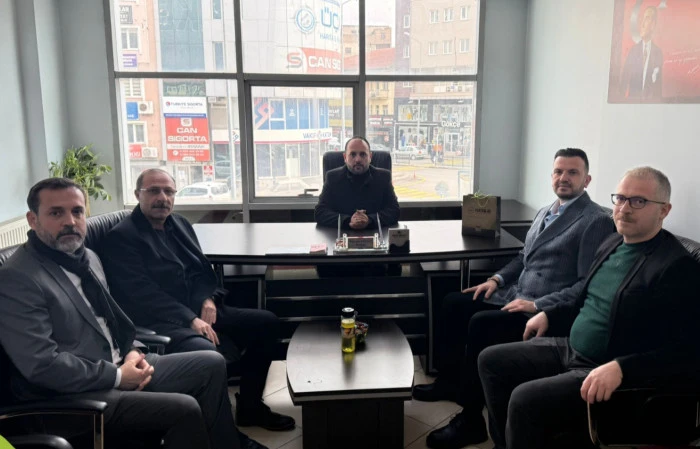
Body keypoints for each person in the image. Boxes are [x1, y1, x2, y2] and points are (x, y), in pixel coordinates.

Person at [0, 178, 266, 449]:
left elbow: (113, 321)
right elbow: (41, 365)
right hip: (70, 396)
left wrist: (132, 351)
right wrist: (117, 376)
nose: (70, 221)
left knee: (211, 364)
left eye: (77, 211)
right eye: (56, 213)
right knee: (184, 408)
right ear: (33, 219)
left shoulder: (87, 257)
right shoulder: (18, 277)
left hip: (121, 364)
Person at [478, 167, 700, 449]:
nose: (624, 209)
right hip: (571, 347)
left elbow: (687, 352)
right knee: (491, 361)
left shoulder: (677, 268)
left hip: (608, 370)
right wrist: (549, 313)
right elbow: (584, 295)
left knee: (524, 399)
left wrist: (622, 368)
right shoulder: (612, 242)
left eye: (638, 201)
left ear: (664, 210)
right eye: (620, 198)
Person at [414, 148, 615, 449]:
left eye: (572, 172)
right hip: (515, 293)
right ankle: (450, 382)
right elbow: (523, 257)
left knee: (481, 323)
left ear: (586, 180)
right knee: (454, 303)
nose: (564, 178)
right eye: (558, 171)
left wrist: (538, 305)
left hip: (543, 310)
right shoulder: (545, 211)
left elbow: (586, 283)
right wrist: (496, 279)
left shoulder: (595, 220)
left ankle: (471, 420)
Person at [100, 169, 295, 432]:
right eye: (154, 191)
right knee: (208, 354)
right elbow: (142, 294)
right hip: (162, 322)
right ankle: (220, 430)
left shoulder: (179, 224)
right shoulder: (122, 237)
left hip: (199, 310)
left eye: (169, 191)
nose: (162, 198)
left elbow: (202, 270)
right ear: (137, 195)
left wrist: (207, 299)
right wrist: (189, 318)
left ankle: (250, 407)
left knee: (266, 323)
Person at [315, 135, 399, 230]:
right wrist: (348, 220)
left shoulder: (383, 177)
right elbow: (320, 212)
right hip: (341, 235)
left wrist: (369, 220)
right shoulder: (332, 178)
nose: (358, 159)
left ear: (370, 157)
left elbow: (394, 211)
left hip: (375, 234)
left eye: (363, 154)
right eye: (353, 154)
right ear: (345, 157)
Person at [620, 6, 663, 100]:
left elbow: (658, 89)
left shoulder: (658, 53)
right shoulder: (633, 52)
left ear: (653, 25)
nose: (642, 24)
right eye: (642, 19)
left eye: (646, 19)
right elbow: (623, 83)